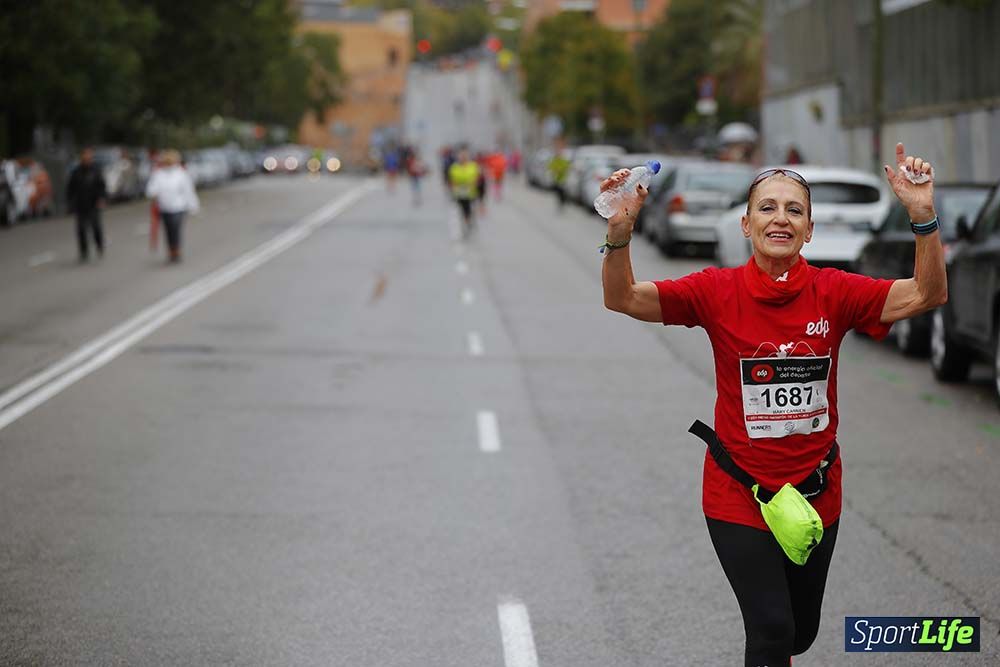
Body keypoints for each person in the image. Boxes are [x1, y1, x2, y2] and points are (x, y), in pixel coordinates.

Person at [601, 143, 945, 667]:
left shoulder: (836, 292)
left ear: (810, 230)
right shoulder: (715, 291)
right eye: (767, 207)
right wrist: (620, 232)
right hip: (739, 493)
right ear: (745, 225)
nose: (780, 218)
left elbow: (926, 294)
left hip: (815, 493)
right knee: (771, 630)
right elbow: (622, 297)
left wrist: (923, 218)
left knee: (798, 635)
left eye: (794, 210)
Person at [145, 149, 199, 263]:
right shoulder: (158, 174)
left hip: (178, 207)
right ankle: (171, 250)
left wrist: (193, 205)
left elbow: (188, 191)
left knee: (175, 228)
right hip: (164, 207)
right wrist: (154, 193)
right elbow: (151, 190)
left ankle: (176, 250)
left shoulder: (181, 174)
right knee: (168, 230)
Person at [65, 147, 107, 262]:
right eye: (85, 156)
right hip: (81, 205)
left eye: (89, 156)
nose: (87, 159)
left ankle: (99, 245)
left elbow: (102, 186)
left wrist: (101, 198)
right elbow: (70, 189)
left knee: (96, 227)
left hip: (93, 204)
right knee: (81, 229)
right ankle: (84, 251)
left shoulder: (96, 170)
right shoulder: (76, 172)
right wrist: (70, 203)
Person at [448, 146, 480, 238]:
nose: (463, 157)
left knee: (468, 209)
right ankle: (466, 222)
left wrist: (472, 182)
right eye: (461, 156)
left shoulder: (473, 166)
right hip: (459, 193)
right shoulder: (454, 167)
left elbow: (476, 177)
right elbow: (452, 179)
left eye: (465, 156)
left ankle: (468, 221)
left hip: (470, 192)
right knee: (462, 210)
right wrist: (458, 184)